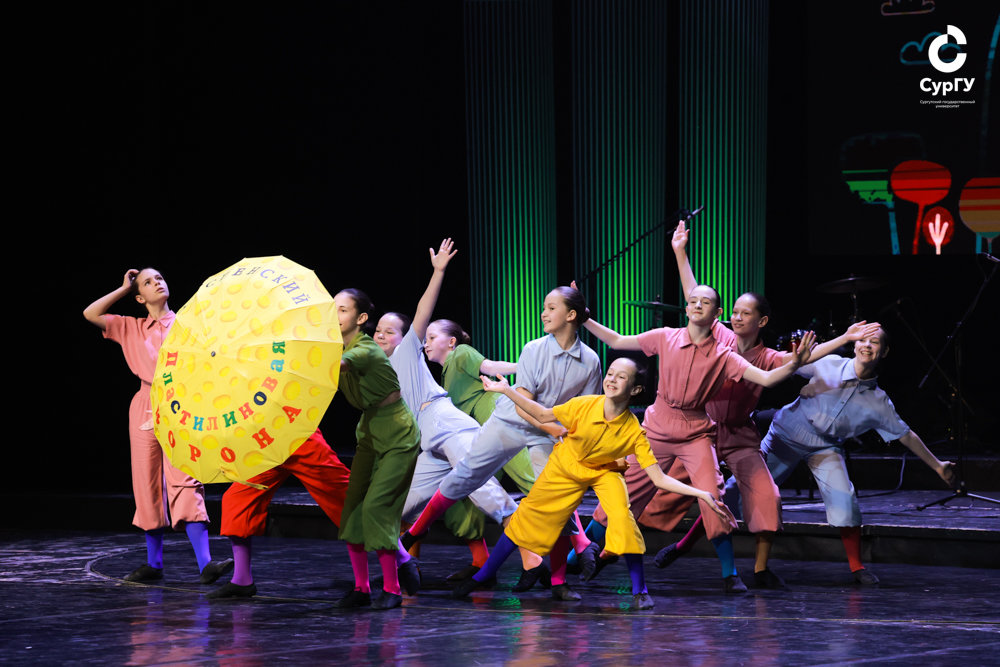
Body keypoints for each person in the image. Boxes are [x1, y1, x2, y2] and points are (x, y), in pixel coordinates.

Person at [628, 220, 882, 590]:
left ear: (761, 321)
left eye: (745, 313)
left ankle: (760, 570)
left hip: (739, 436)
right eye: (733, 311)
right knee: (660, 494)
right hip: (700, 431)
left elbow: (802, 359)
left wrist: (844, 337)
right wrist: (680, 253)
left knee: (766, 495)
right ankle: (608, 550)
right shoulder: (719, 337)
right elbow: (694, 296)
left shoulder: (767, 358)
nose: (736, 317)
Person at [578, 273, 815, 594]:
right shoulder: (666, 337)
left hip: (696, 432)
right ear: (687, 308)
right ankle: (577, 557)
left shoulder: (723, 354)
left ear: (717, 314)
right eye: (693, 301)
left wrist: (795, 362)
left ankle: (730, 574)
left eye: (706, 302)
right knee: (625, 489)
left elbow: (766, 378)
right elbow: (618, 341)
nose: (698, 306)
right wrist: (585, 318)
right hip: (657, 427)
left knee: (712, 495)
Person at [452, 358, 730, 608]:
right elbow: (543, 414)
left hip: (604, 472)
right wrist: (506, 390)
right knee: (526, 517)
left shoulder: (634, 431)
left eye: (621, 376)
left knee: (623, 518)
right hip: (565, 466)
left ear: (635, 389)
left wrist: (702, 494)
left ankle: (640, 590)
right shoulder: (584, 405)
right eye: (610, 373)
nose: (612, 379)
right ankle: (482, 575)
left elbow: (659, 478)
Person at [400, 285, 604, 591]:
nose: (543, 313)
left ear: (571, 315)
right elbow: (522, 404)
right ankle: (415, 534)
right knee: (465, 477)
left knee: (554, 495)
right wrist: (551, 425)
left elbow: (585, 410)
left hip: (540, 430)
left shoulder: (589, 361)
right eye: (544, 307)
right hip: (509, 422)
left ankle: (561, 575)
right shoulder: (533, 349)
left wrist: (575, 441)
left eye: (551, 308)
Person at [726, 326, 955, 585]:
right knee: (737, 489)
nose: (867, 345)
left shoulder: (879, 402)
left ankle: (857, 567)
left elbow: (906, 435)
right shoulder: (830, 363)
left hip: (824, 447)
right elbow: (787, 364)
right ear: (855, 345)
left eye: (874, 342)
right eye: (863, 340)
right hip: (786, 435)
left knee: (844, 498)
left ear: (884, 351)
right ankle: (700, 534)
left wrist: (938, 466)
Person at [372, 239, 519, 584]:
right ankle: (405, 568)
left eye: (389, 331)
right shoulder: (377, 371)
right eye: (377, 330)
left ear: (405, 337)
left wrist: (438, 271)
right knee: (396, 507)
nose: (381, 335)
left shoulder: (407, 352)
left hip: (446, 423)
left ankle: (539, 557)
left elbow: (423, 311)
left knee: (485, 492)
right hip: (428, 441)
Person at [83, 268, 231, 584]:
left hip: (182, 405)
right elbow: (90, 313)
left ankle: (206, 565)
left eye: (160, 278)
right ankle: (154, 564)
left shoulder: (188, 324)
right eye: (148, 282)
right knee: (146, 483)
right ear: (140, 298)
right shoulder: (130, 327)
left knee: (186, 480)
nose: (157, 283)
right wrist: (124, 288)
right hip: (145, 406)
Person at [334, 288, 421, 610]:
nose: (334, 315)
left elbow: (342, 365)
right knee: (352, 508)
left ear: (361, 318)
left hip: (397, 431)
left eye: (342, 310)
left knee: (377, 508)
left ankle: (392, 588)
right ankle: (361, 588)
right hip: (369, 430)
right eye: (332, 309)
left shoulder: (365, 348)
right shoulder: (338, 346)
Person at [206, 428, 350, 599]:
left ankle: (377, 573)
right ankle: (242, 580)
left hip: (298, 438)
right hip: (268, 444)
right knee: (236, 500)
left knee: (346, 495)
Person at [426, 318, 536, 498]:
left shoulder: (460, 352)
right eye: (425, 340)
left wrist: (523, 367)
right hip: (480, 427)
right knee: (479, 484)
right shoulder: (445, 379)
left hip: (491, 409)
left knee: (521, 468)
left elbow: (490, 367)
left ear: (451, 341)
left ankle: (557, 505)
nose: (426, 344)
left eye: (431, 338)